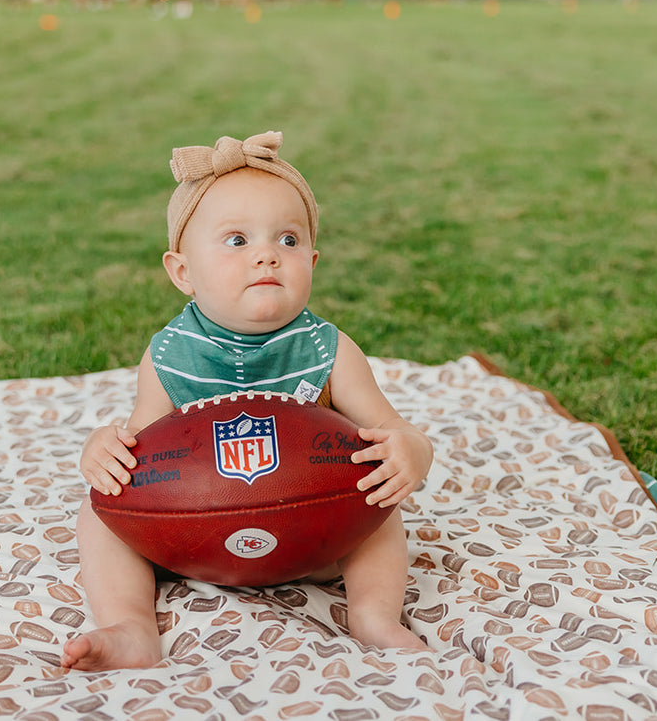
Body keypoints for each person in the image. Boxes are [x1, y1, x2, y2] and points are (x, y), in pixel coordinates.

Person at [61, 131, 434, 671]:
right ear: (182, 272)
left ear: (313, 259)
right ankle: (131, 625)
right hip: (196, 541)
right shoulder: (170, 356)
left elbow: (396, 430)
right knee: (104, 508)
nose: (266, 256)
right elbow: (140, 455)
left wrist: (410, 455)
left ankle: (375, 617)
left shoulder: (330, 351)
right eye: (237, 241)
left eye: (287, 240)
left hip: (317, 539)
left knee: (378, 498)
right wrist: (103, 450)